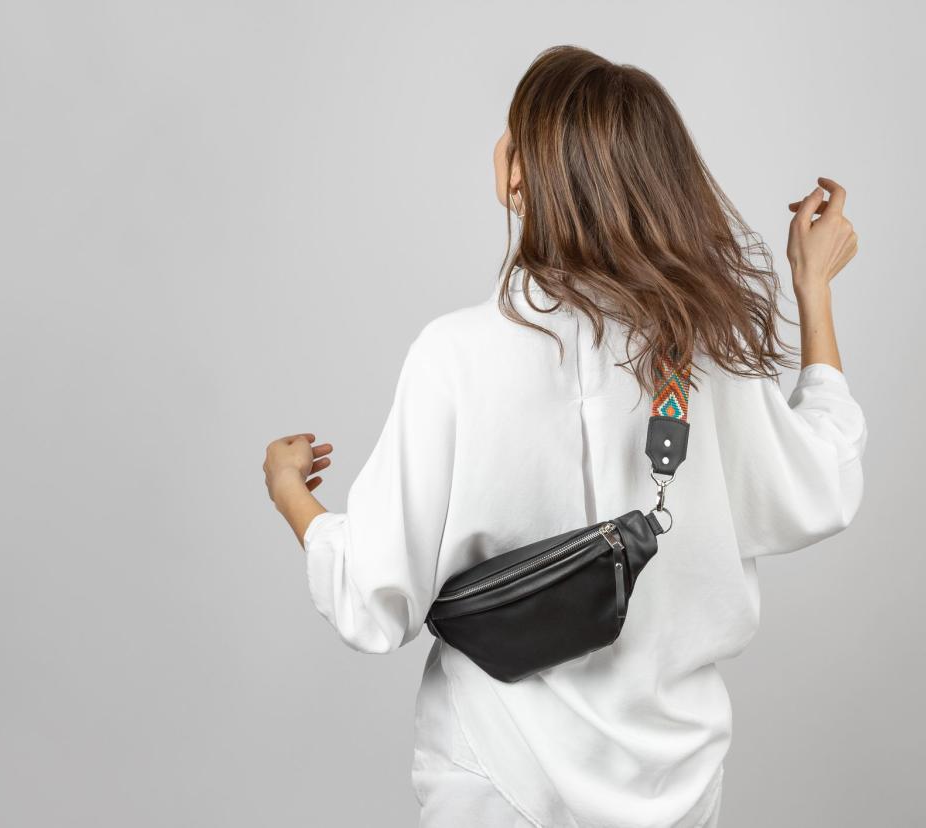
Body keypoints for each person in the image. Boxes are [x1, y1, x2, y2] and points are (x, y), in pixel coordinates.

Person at [263, 45, 866, 828]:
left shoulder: (456, 357)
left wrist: (290, 498)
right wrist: (812, 288)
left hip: (498, 778)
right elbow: (819, 480)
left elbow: (372, 599)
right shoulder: (707, 353)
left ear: (517, 177)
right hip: (679, 787)